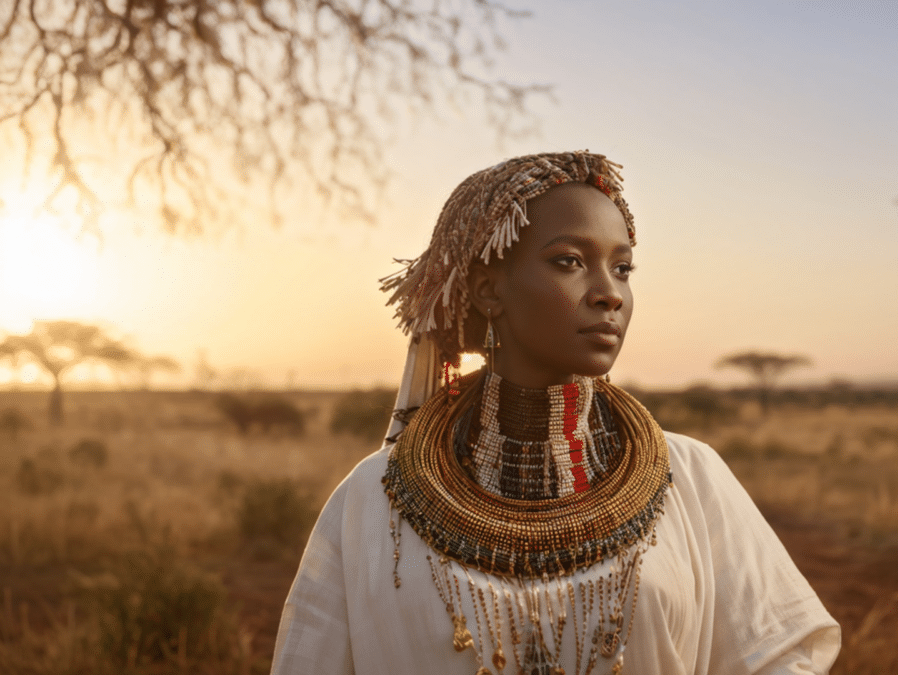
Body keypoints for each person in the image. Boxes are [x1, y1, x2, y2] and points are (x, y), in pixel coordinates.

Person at [271, 151, 840, 674]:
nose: (609, 294)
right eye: (570, 261)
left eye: (623, 269)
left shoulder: (691, 479)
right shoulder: (373, 500)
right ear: (489, 290)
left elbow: (779, 657)